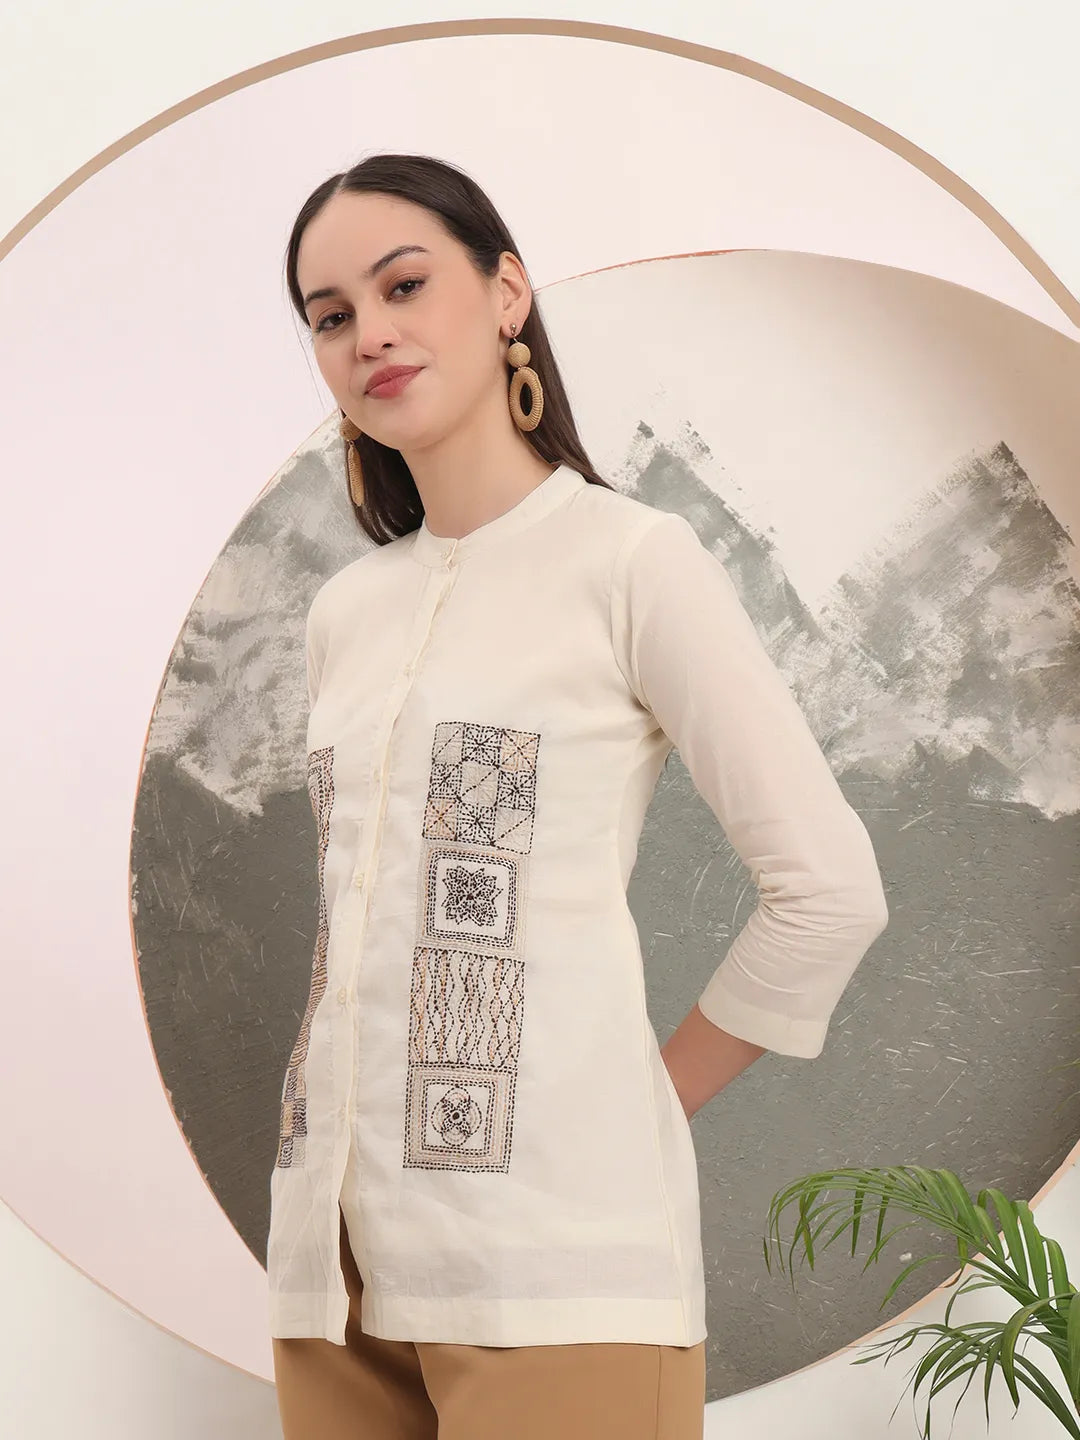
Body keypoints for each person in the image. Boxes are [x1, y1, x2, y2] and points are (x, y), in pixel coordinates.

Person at [267, 151, 890, 1440]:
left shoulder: (631, 562)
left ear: (507, 293)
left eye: (403, 285)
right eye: (331, 315)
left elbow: (829, 892)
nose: (368, 333)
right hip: (331, 1282)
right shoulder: (344, 615)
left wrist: (636, 1103)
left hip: (557, 1274)